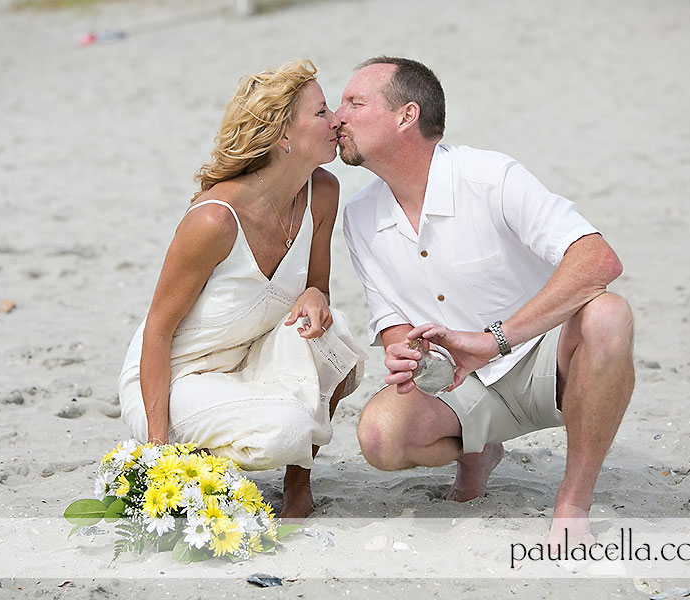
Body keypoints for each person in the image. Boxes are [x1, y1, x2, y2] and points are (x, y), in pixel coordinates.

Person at [337, 56, 634, 542]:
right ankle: (480, 450)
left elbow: (599, 260)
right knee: (380, 436)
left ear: (406, 116)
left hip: (547, 363)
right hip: (460, 381)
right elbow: (390, 318)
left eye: (355, 103)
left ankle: (573, 501)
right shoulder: (359, 214)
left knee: (608, 314)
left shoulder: (490, 176)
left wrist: (494, 340)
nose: (337, 117)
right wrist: (406, 353)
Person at [118, 59, 366, 519]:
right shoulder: (214, 220)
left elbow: (317, 287)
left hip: (250, 356)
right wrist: (157, 454)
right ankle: (194, 458)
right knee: (286, 428)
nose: (336, 120)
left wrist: (316, 296)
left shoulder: (323, 192)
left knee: (336, 338)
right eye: (321, 112)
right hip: (177, 377)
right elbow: (157, 330)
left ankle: (298, 483)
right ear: (282, 135)